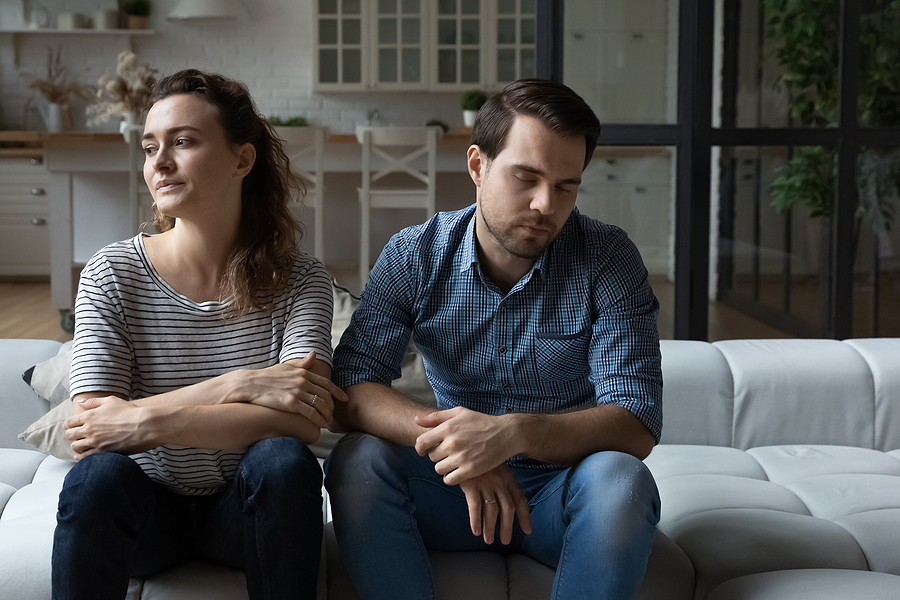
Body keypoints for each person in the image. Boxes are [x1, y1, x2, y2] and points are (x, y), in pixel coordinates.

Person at [325, 78, 662, 600]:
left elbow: (637, 421)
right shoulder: (415, 254)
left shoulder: (608, 258)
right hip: (453, 495)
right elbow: (351, 388)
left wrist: (510, 434)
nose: (546, 204)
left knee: (623, 480)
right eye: (526, 177)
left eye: (566, 185)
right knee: (356, 460)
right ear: (477, 165)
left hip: (562, 497)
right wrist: (462, 451)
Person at [53, 69, 347, 600]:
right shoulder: (111, 273)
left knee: (281, 460)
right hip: (145, 516)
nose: (159, 163)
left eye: (183, 142)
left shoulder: (302, 279)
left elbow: (301, 421)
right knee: (97, 479)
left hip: (246, 512)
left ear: (243, 159)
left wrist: (143, 419)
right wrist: (235, 385)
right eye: (149, 148)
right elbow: (93, 428)